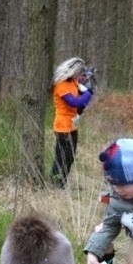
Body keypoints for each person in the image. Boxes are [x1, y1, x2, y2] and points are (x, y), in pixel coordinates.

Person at [50, 57, 94, 187]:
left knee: (70, 156)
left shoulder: (74, 82)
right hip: (62, 125)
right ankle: (56, 183)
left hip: (72, 125)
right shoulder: (61, 85)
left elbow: (80, 102)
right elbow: (73, 101)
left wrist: (85, 95)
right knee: (61, 157)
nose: (80, 76)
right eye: (79, 73)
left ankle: (62, 182)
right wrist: (88, 94)